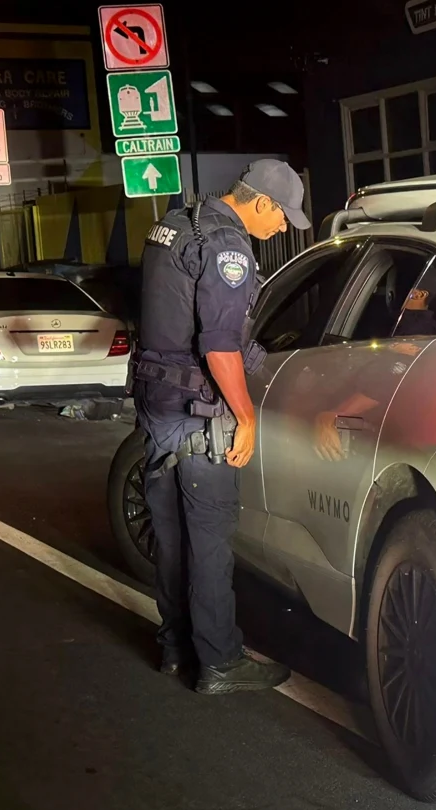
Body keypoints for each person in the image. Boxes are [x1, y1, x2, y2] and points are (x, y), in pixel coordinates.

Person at [131, 160, 311, 695]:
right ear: (259, 202)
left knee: (170, 535)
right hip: (197, 413)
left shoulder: (177, 223)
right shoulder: (228, 245)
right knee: (208, 539)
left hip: (157, 403)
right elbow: (218, 345)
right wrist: (247, 415)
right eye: (282, 217)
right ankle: (220, 661)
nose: (281, 228)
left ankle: (174, 647)